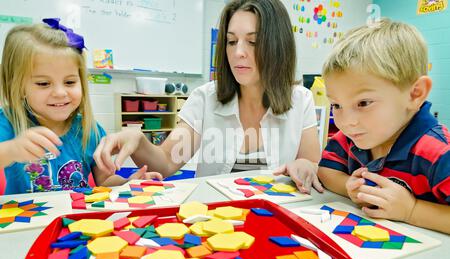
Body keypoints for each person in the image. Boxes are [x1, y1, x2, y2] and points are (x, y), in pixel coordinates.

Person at [94, 0, 324, 194]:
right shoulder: (205, 98)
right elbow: (165, 163)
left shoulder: (300, 100)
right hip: (215, 222)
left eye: (252, 42)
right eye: (231, 41)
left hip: (276, 217)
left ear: (277, 46)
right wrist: (138, 140)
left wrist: (306, 166)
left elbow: (311, 163)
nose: (238, 52)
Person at [318, 18, 450, 234]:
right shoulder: (352, 136)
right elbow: (326, 171)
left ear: (415, 94)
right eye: (337, 105)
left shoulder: (438, 152)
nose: (347, 121)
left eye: (363, 103)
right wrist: (351, 189)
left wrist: (411, 210)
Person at [0, 19, 161, 194]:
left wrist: (128, 183)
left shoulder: (89, 130)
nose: (60, 92)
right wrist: (11, 150)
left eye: (70, 82)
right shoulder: (7, 123)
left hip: (77, 219)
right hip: (28, 220)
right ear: (18, 85)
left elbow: (104, 180)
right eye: (43, 83)